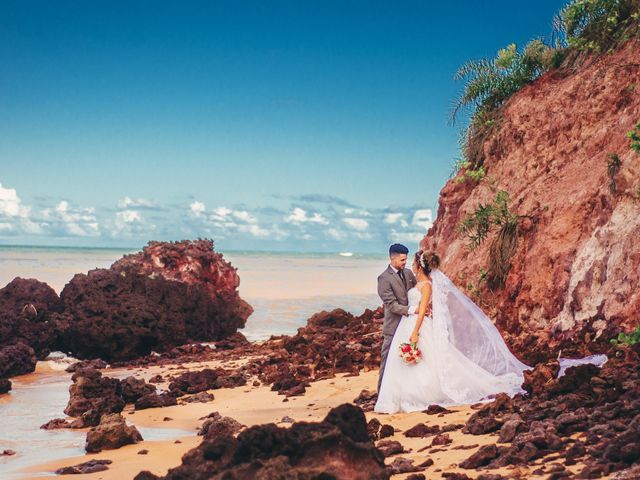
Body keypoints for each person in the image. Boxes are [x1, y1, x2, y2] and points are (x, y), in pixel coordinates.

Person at [374, 250, 531, 413]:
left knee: (423, 360)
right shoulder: (403, 279)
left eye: (411, 262)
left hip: (416, 324)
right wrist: (416, 312)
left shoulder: (425, 284)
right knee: (397, 361)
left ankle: (417, 394)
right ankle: (392, 395)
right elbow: (395, 304)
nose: (409, 265)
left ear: (420, 266)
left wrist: (415, 330)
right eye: (403, 260)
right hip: (403, 324)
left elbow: (422, 309)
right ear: (392, 258)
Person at [376, 243, 417, 393]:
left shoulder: (408, 273)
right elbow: (391, 305)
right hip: (393, 327)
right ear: (392, 258)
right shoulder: (383, 278)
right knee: (387, 361)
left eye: (406, 260)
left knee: (409, 360)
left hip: (410, 325)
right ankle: (381, 394)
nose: (405, 263)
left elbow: (416, 291)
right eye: (402, 260)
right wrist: (413, 310)